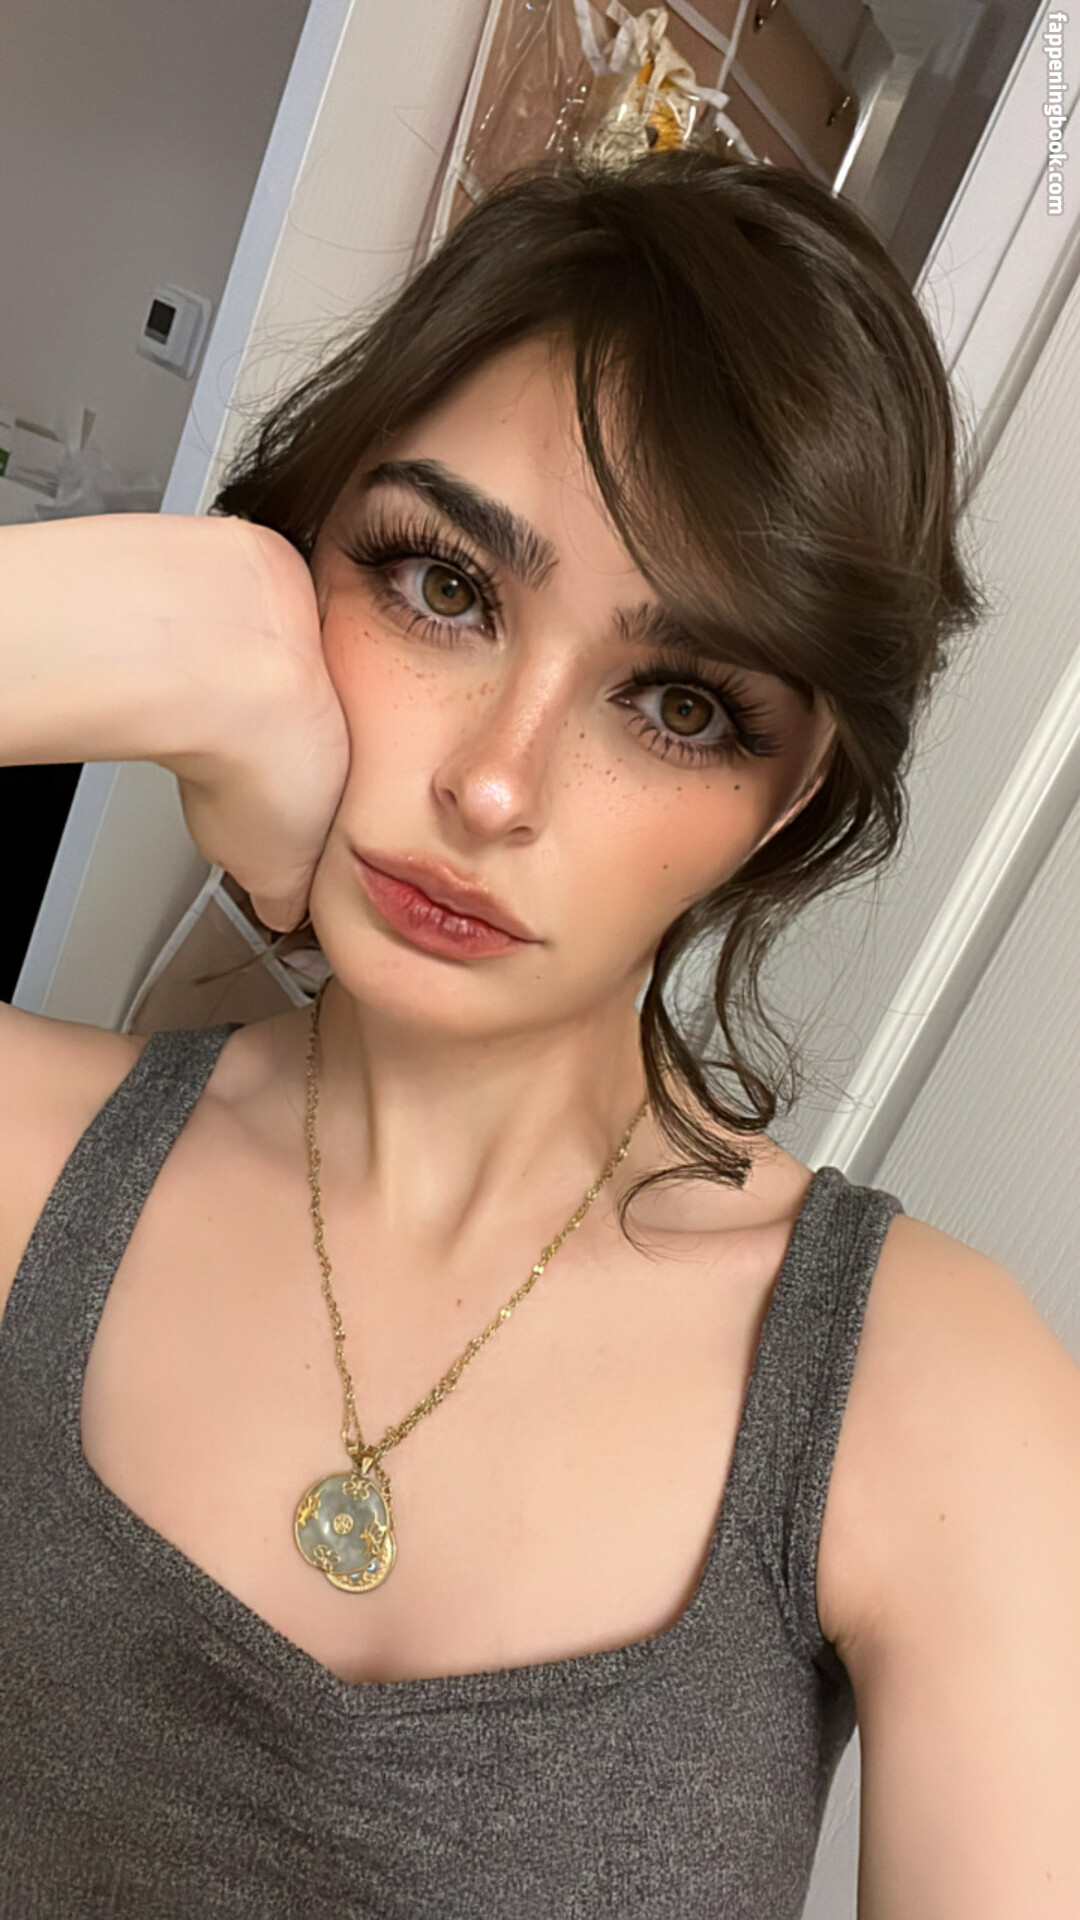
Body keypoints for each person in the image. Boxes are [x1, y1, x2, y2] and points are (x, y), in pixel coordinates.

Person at [0, 149, 1076, 1918]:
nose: (497, 784)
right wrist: (162, 632)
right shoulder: (34, 1162)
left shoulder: (935, 1401)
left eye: (679, 704)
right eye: (442, 587)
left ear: (789, 799)